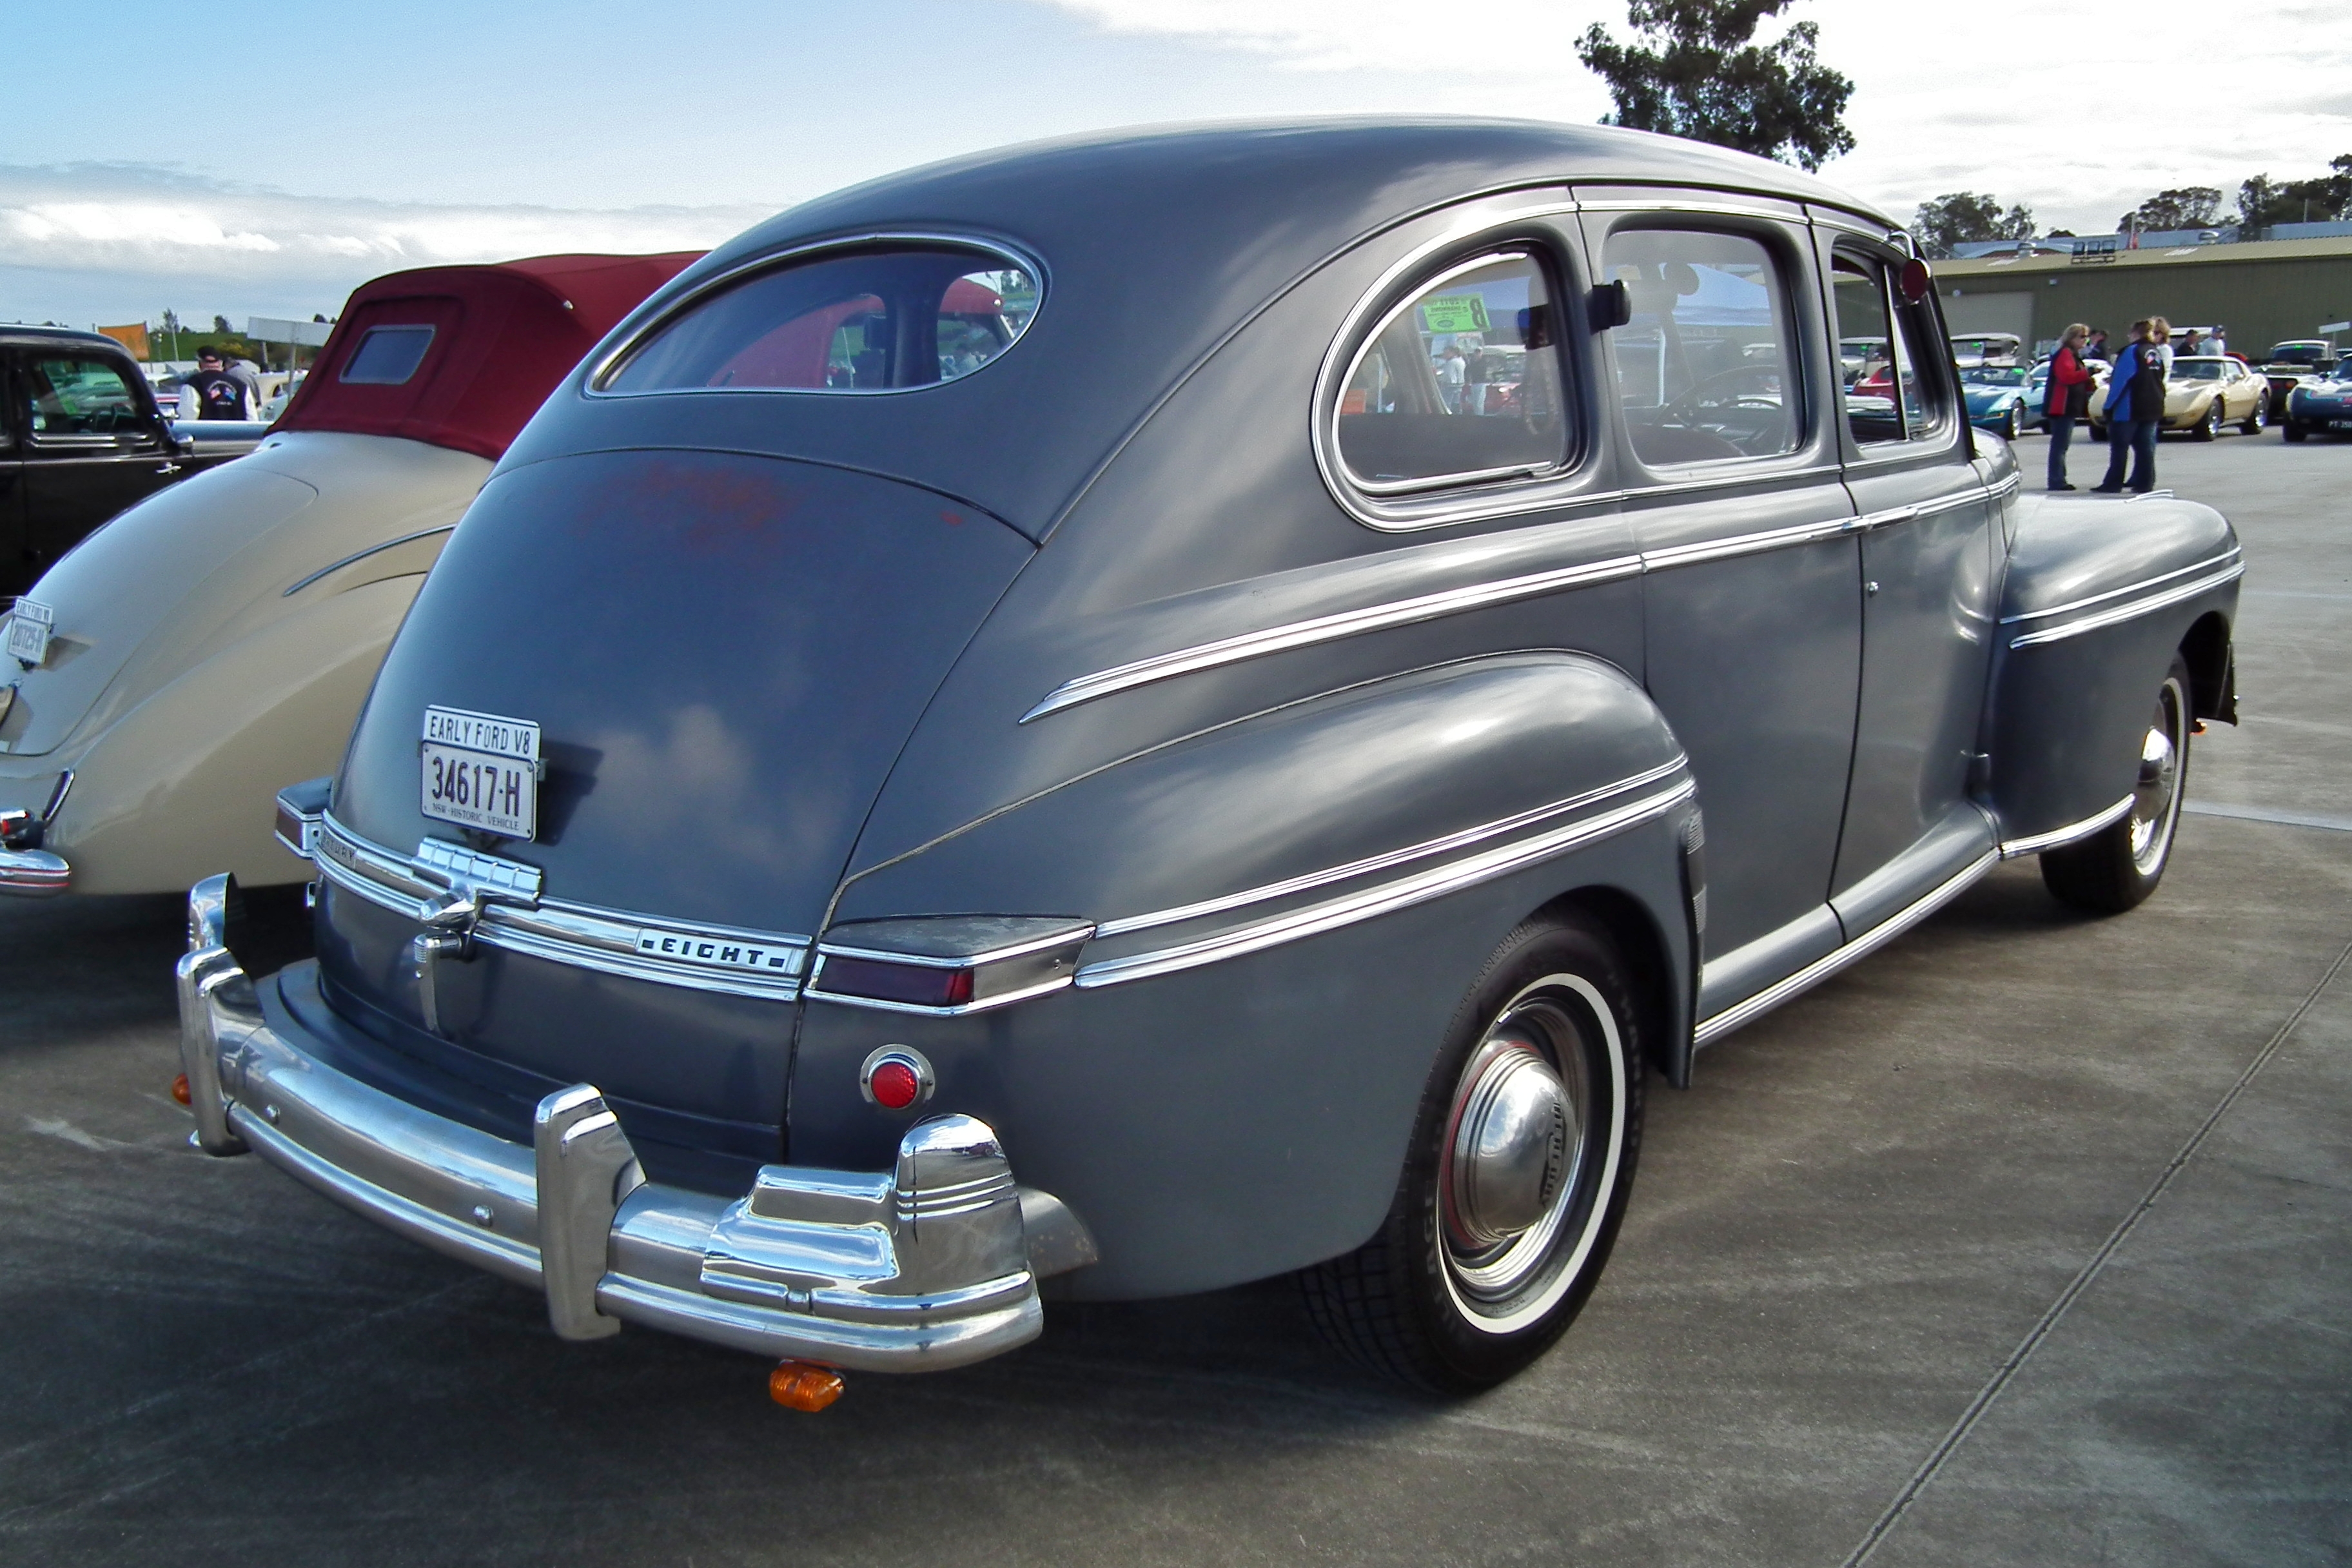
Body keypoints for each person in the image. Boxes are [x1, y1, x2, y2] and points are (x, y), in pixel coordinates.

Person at [2093, 320, 2166, 493]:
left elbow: (2120, 381)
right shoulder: (2155, 352)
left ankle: (2113, 483)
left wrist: (2109, 406)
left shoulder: (2131, 351)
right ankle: (2145, 482)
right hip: (2153, 405)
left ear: (2136, 333)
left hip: (2129, 407)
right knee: (2145, 448)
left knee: (2120, 448)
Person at [2042, 323, 2096, 490]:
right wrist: (2087, 373)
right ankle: (2057, 480)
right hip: (2061, 406)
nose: (2085, 341)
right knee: (2060, 445)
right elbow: (2066, 377)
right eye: (2081, 337)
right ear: (2071, 338)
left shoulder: (2073, 355)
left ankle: (2059, 478)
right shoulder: (2065, 354)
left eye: (2086, 337)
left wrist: (2089, 382)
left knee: (2062, 445)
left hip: (2068, 406)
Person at [184, 348, 251, 420]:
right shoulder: (241, 385)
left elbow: (188, 415)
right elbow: (252, 417)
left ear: (200, 363)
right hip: (238, 431)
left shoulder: (194, 383)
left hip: (206, 431)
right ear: (220, 363)